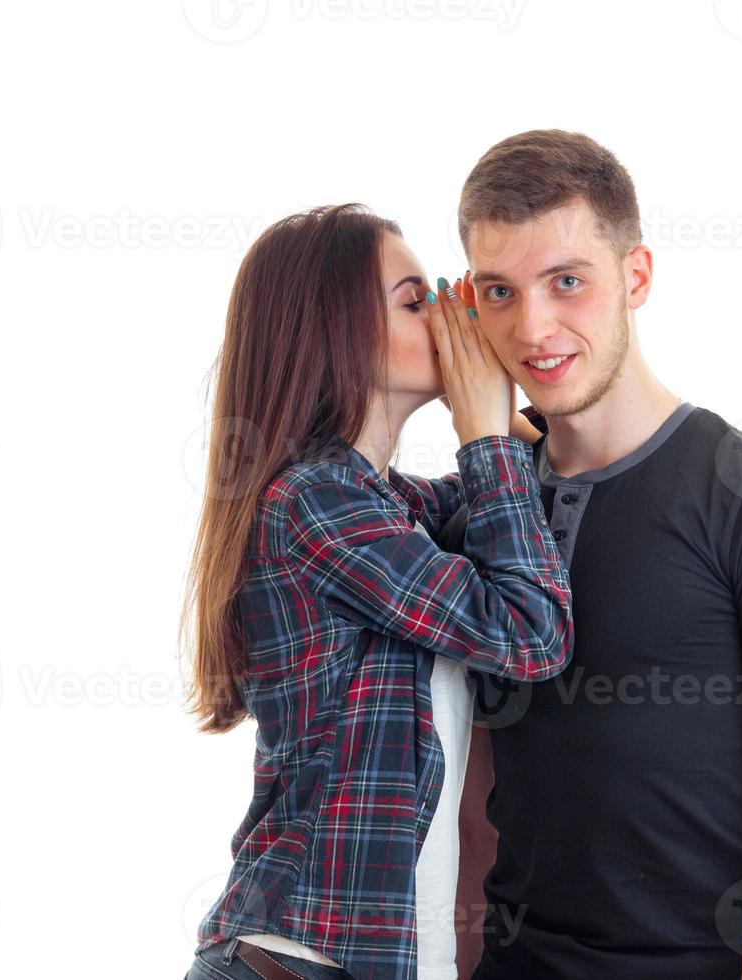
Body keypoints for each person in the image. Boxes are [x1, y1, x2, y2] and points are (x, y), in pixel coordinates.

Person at [443, 131, 742, 980]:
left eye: (568, 281)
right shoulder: (484, 509)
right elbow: (477, 803)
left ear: (635, 277)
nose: (534, 327)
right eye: (500, 291)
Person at [181, 204, 572, 980]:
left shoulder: (391, 504)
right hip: (298, 962)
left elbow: (506, 506)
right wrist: (485, 428)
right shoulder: (316, 503)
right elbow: (533, 632)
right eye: (415, 298)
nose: (448, 314)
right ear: (339, 331)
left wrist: (509, 401)